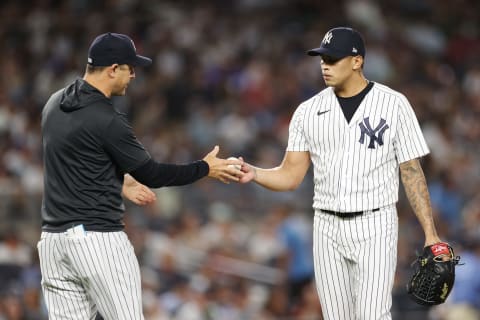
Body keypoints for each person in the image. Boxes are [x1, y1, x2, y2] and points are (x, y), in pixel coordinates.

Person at [238, 27, 445, 320]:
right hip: (326, 226)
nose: (325, 65)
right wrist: (255, 173)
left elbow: (411, 171)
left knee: (373, 315)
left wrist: (430, 233)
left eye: (333, 59)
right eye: (323, 58)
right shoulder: (307, 111)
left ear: (357, 61)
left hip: (375, 223)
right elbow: (291, 176)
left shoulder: (393, 104)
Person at [38, 32, 242, 320]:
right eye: (129, 67)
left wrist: (119, 181)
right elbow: (153, 173)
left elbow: (73, 159)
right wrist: (206, 168)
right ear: (112, 69)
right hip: (98, 240)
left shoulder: (53, 104)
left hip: (52, 243)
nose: (134, 74)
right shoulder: (107, 118)